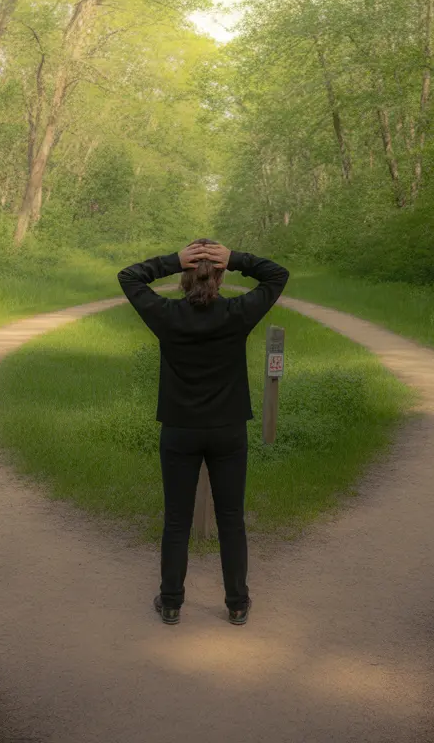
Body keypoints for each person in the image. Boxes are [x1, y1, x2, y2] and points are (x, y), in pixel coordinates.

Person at [117, 240, 290, 626]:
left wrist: (171, 260)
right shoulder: (236, 313)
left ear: (183, 276)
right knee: (231, 518)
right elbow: (278, 274)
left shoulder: (167, 314)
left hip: (180, 430)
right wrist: (238, 258)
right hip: (228, 430)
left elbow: (129, 277)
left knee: (177, 520)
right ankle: (237, 604)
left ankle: (172, 602)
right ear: (222, 275)